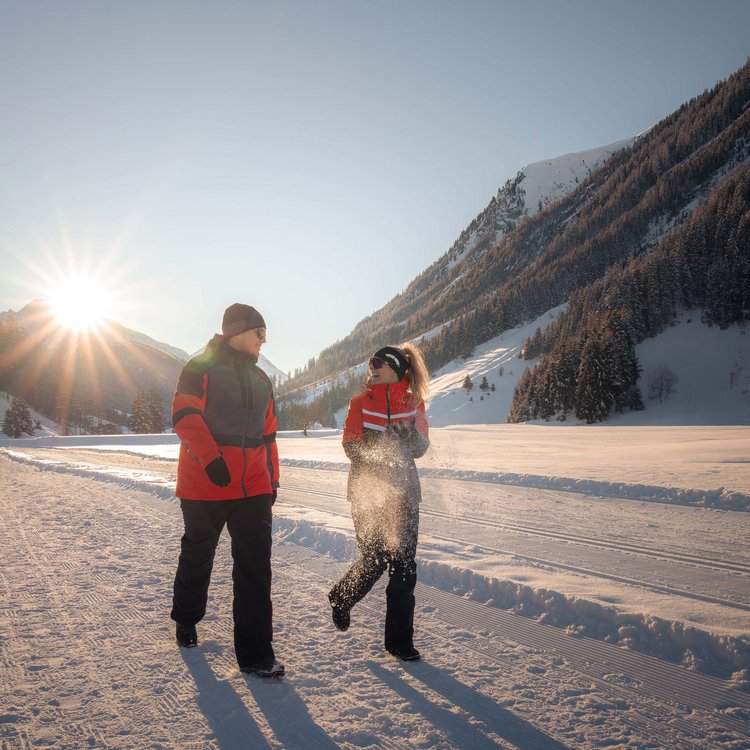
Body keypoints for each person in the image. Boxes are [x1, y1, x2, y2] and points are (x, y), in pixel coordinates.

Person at [170, 303, 283, 678]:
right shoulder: (199, 368)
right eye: (259, 332)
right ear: (237, 331)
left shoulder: (262, 381)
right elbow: (184, 415)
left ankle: (256, 655)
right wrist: (211, 458)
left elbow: (269, 436)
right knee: (198, 556)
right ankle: (186, 620)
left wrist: (273, 479)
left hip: (253, 487)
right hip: (205, 483)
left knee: (255, 569)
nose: (264, 340)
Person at [328, 343, 430, 661]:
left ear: (396, 369)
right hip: (366, 493)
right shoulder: (360, 403)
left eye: (378, 362)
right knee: (374, 560)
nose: (371, 367)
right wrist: (378, 457)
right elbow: (350, 443)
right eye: (369, 362)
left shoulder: (413, 403)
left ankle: (399, 642)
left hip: (404, 495)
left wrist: (408, 437)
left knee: (403, 566)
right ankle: (342, 597)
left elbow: (422, 446)